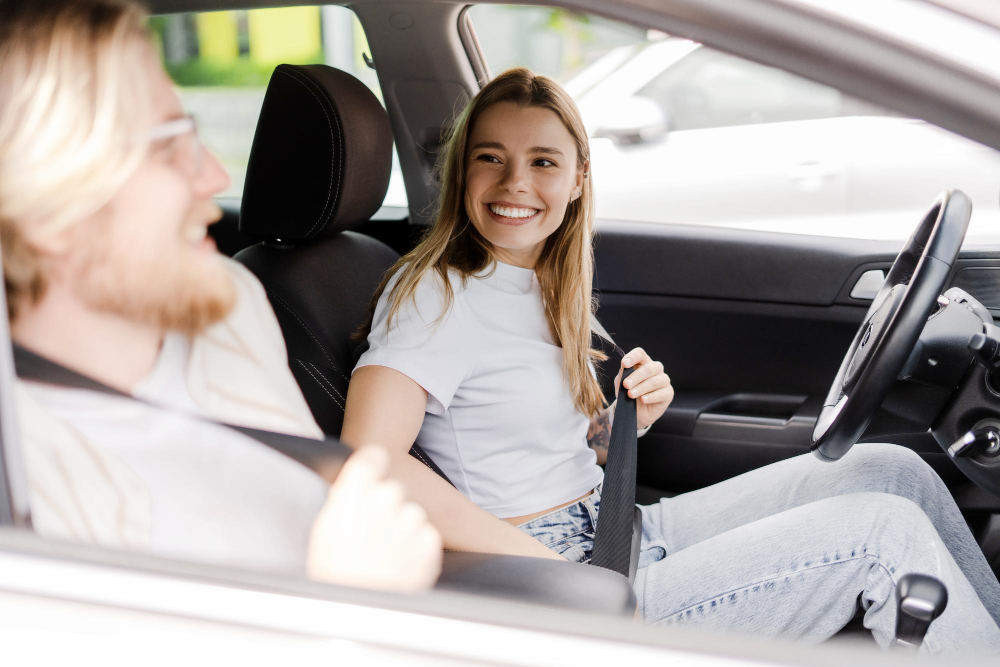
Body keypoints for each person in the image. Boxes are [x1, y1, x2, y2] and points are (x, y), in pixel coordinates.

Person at [341, 66, 1000, 650]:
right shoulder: (437, 290)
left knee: (893, 470)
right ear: (463, 172)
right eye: (491, 157)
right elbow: (372, 461)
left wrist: (623, 425)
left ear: (578, 179)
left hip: (617, 522)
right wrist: (550, 568)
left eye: (543, 161)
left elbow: (532, 446)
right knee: (881, 535)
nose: (516, 181)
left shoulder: (539, 279)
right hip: (553, 569)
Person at [0, 0, 441, 592]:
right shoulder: (25, 483)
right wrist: (344, 609)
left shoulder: (229, 301)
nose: (215, 175)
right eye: (168, 147)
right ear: (48, 211)